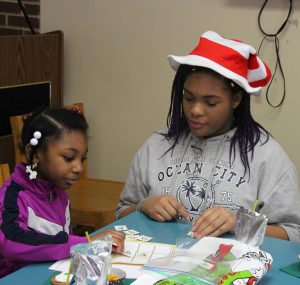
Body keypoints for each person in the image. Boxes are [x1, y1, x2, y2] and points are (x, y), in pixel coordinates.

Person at [116, 30, 300, 242]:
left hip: (228, 272)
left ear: (236, 100)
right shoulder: (156, 146)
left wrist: (240, 223)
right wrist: (143, 206)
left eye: (210, 102)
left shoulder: (266, 156)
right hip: (155, 268)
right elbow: (121, 213)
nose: (195, 110)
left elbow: (294, 233)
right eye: (188, 97)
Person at [0, 107, 124, 278]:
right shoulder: (13, 196)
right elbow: (11, 242)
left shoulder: (59, 192)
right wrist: (85, 242)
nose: (79, 168)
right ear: (34, 154)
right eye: (68, 158)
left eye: (82, 159)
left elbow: (62, 245)